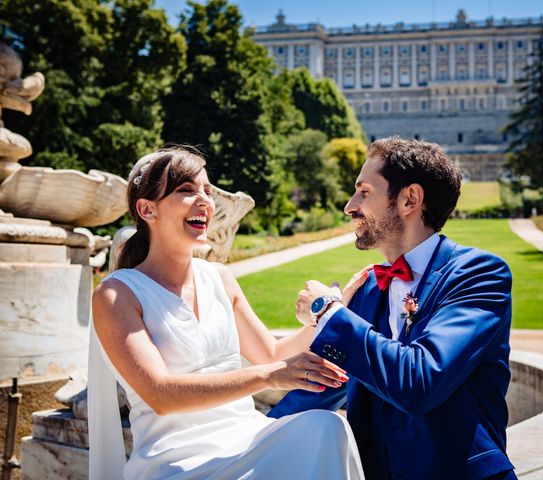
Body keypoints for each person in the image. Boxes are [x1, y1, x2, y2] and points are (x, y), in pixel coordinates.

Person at [88, 146, 365, 480]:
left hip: (245, 435)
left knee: (327, 427)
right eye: (186, 191)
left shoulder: (218, 277)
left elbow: (271, 353)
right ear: (147, 209)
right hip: (177, 459)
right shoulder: (116, 294)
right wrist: (268, 376)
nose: (205, 200)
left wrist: (332, 312)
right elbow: (160, 394)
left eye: (207, 190)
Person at [269, 137, 516, 480]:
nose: (349, 206)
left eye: (364, 192)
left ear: (409, 199)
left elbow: (420, 381)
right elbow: (330, 382)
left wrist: (327, 312)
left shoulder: (479, 274)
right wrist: (252, 437)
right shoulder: (368, 288)